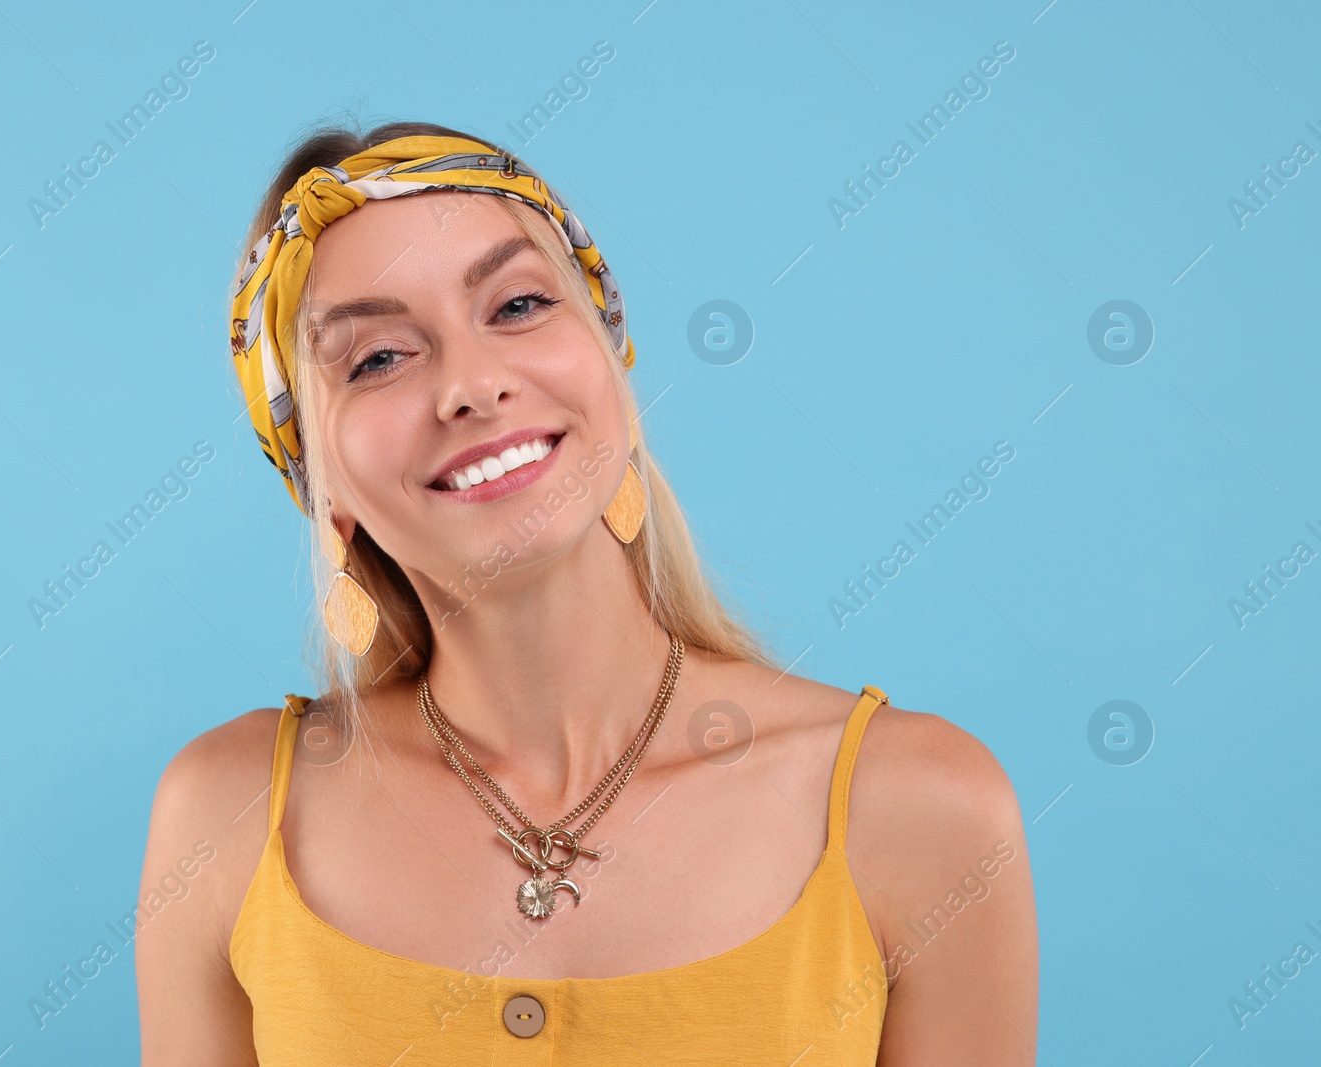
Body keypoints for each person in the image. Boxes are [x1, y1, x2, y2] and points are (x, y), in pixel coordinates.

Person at [135, 120, 1037, 1065]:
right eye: (379, 359)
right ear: (326, 491)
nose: (474, 384)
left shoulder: (921, 808)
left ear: (612, 362)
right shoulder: (226, 819)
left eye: (518, 304)